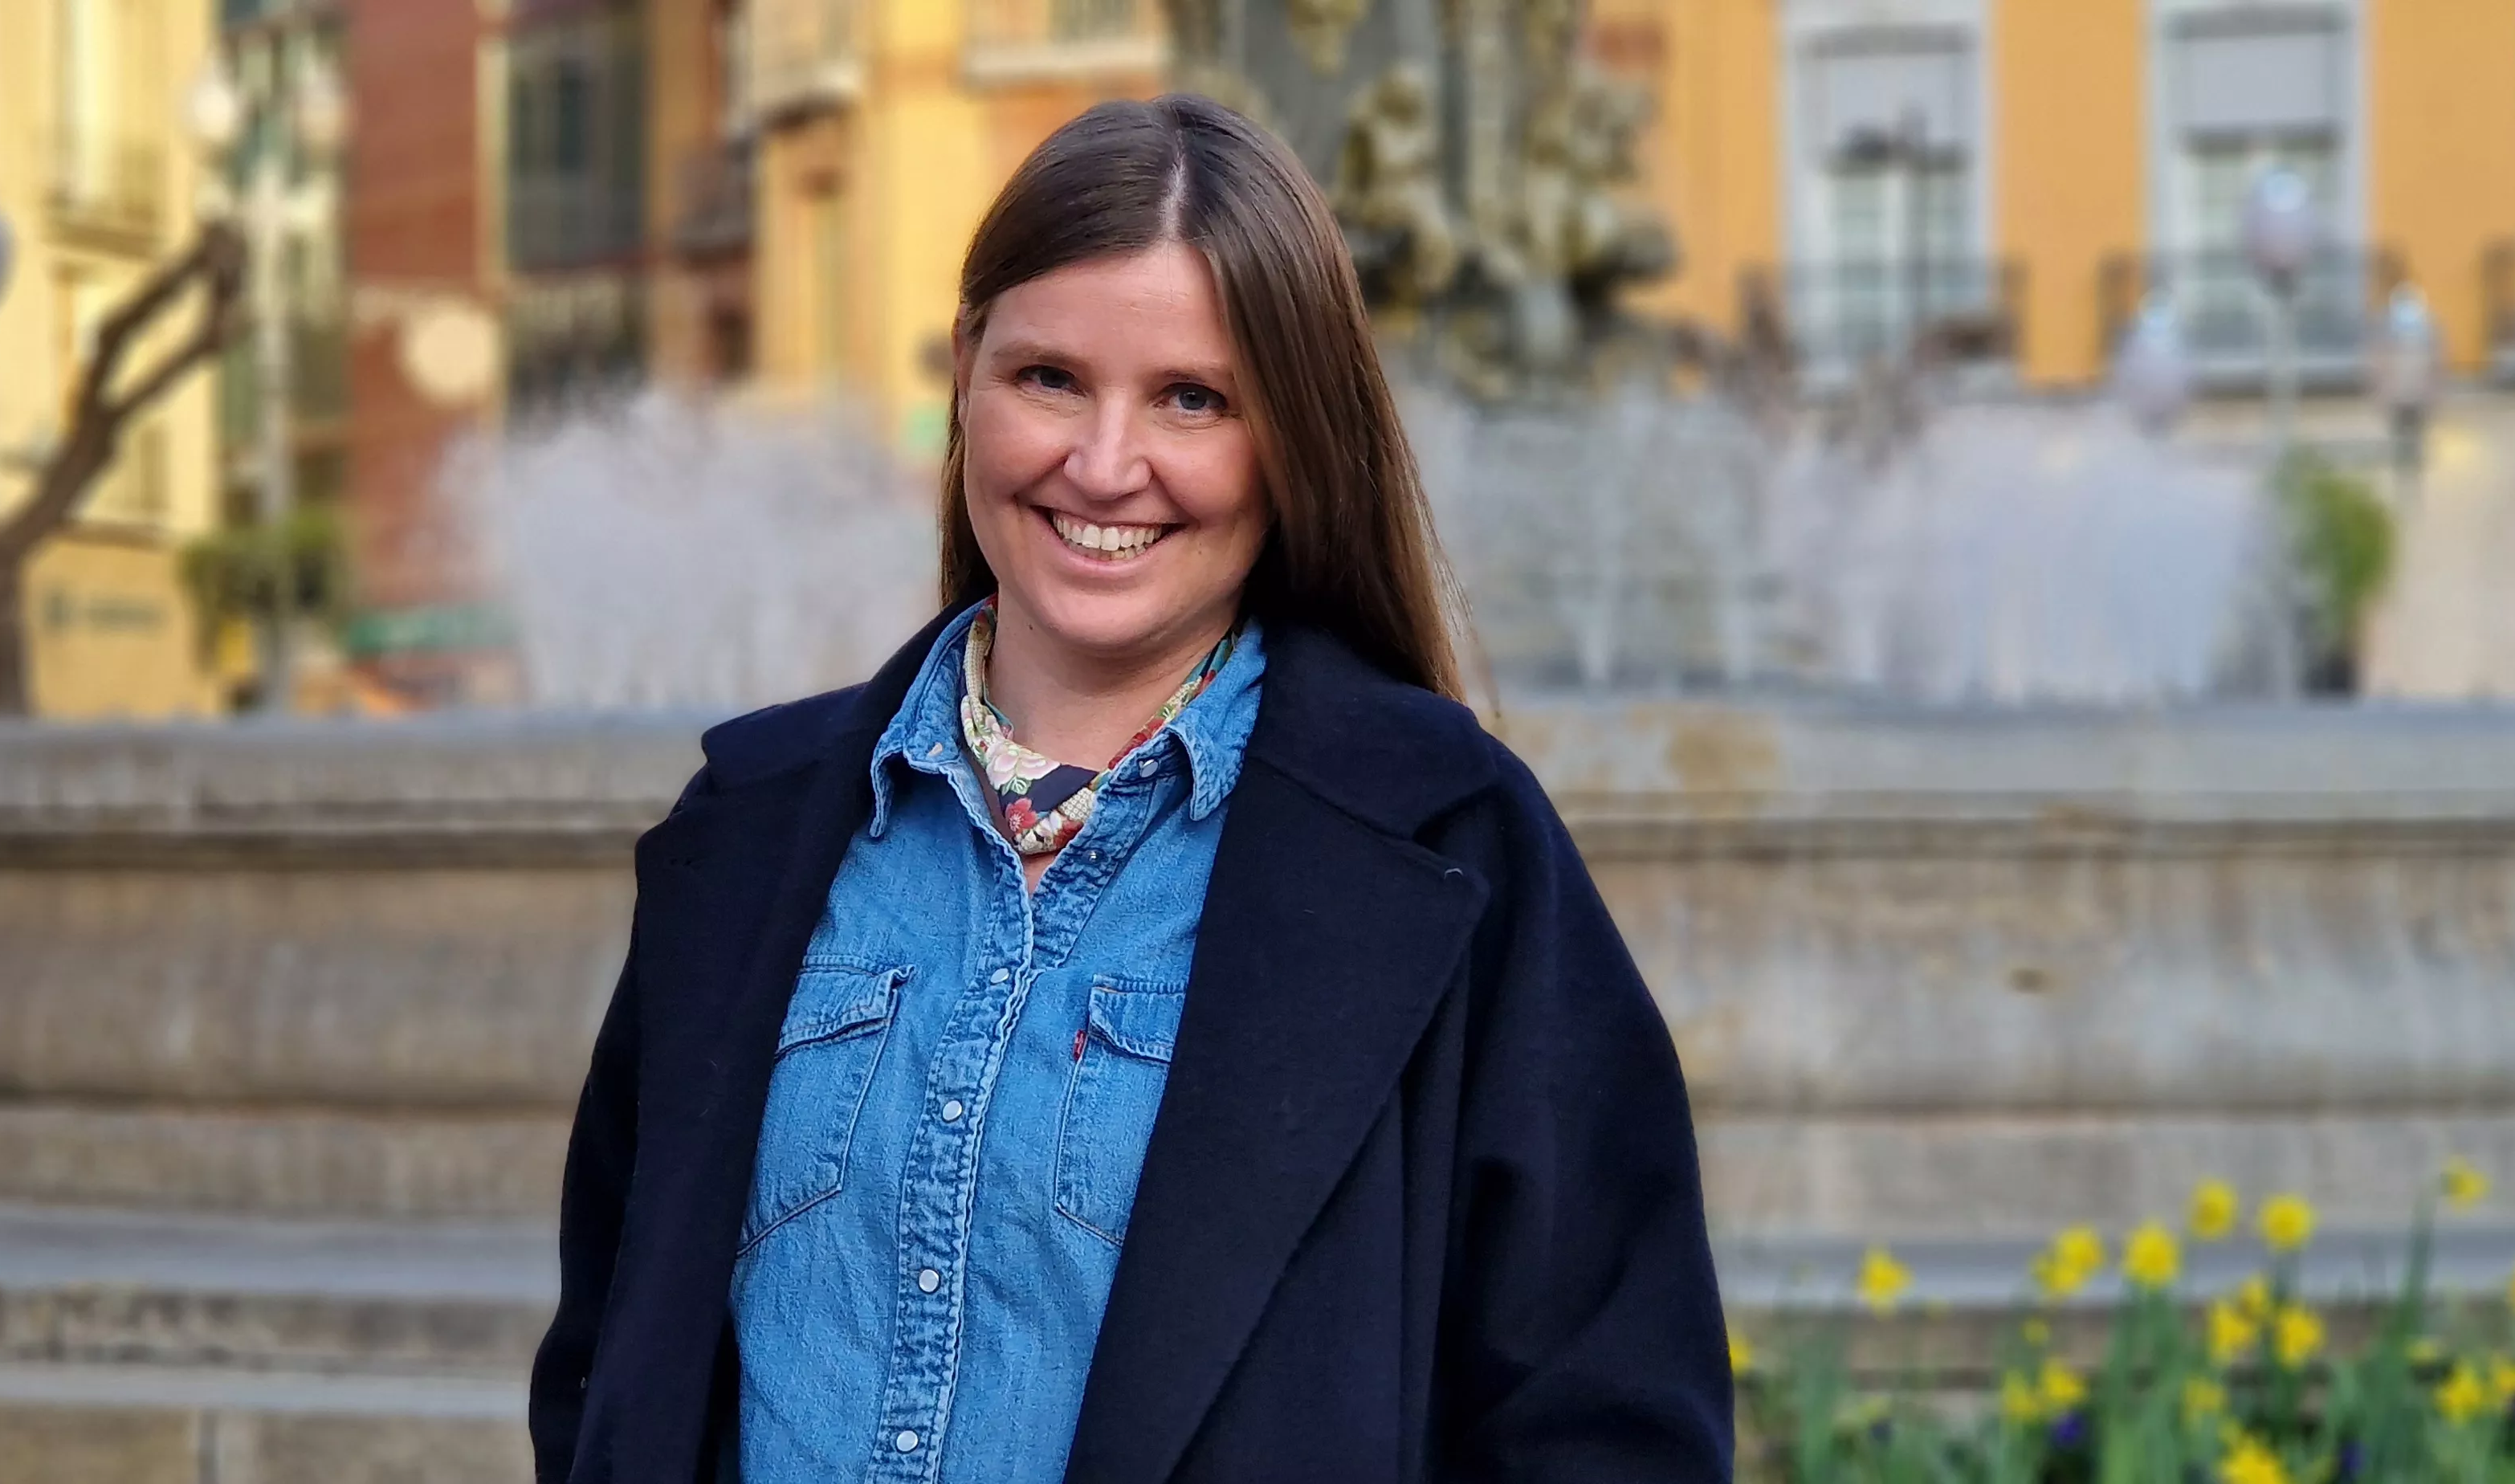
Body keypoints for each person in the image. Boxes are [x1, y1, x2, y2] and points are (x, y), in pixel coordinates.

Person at [530, 94, 1730, 1483]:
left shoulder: (1453, 846)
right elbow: (610, 1369)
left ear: (1293, 435)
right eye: (1049, 378)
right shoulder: (744, 830)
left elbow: (1605, 1418)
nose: (1104, 467)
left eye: (1192, 399)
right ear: (966, 372)